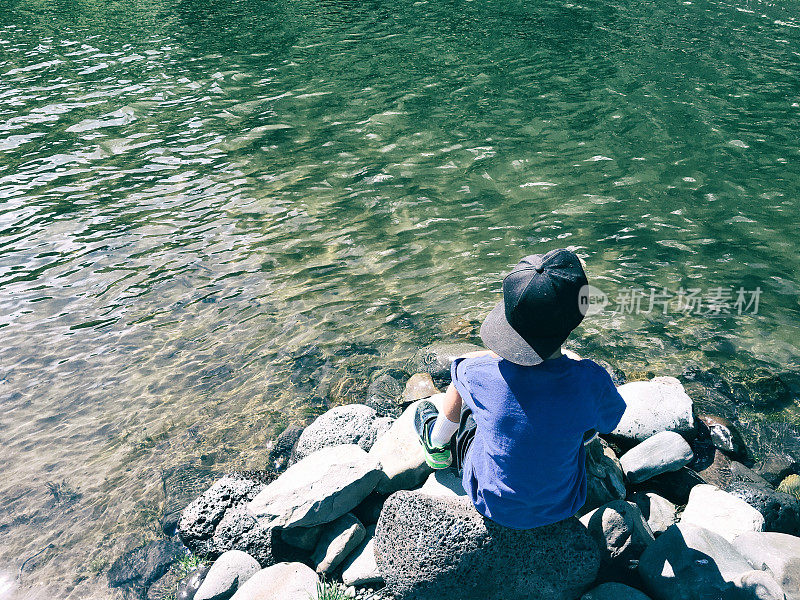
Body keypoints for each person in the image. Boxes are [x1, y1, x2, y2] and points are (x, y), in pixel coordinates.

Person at [414, 248, 626, 530]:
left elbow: (458, 373)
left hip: (489, 500)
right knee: (579, 423)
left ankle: (437, 444)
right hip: (563, 503)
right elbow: (607, 422)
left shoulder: (478, 373)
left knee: (468, 419)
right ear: (576, 317)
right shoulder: (591, 380)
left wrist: (483, 357)